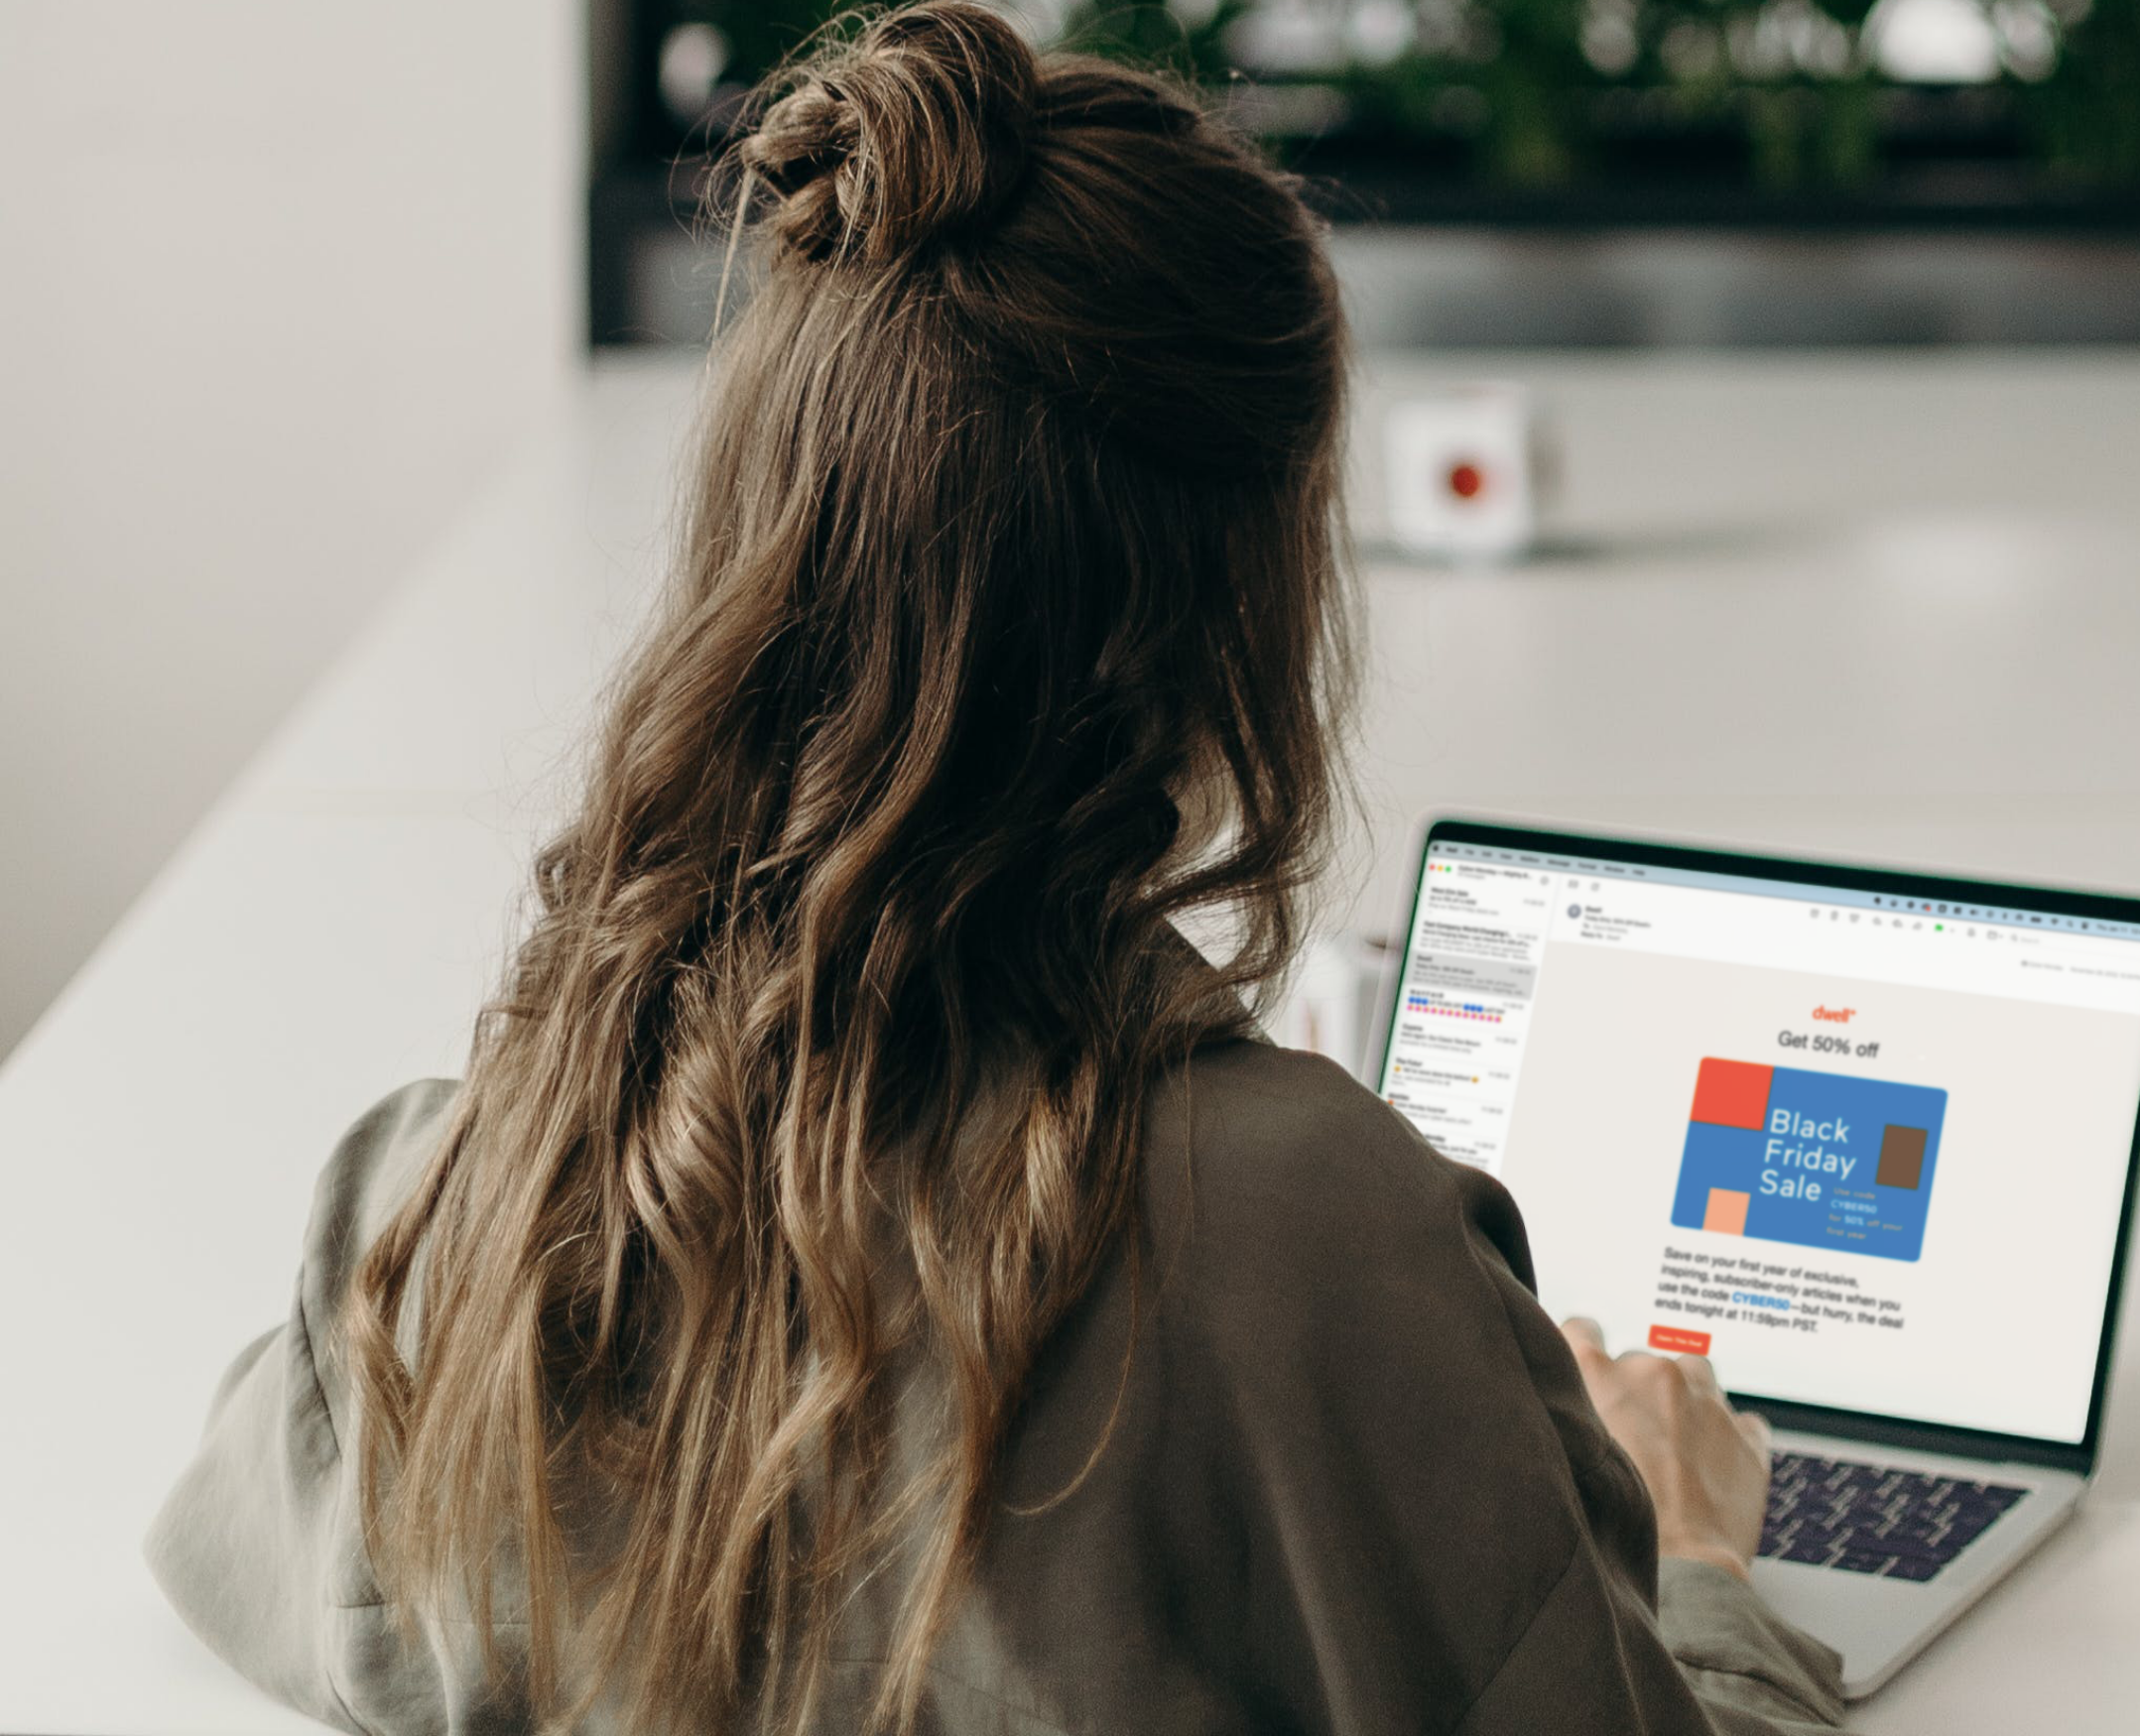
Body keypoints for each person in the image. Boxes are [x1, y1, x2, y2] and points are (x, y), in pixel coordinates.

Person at [145, 5, 1848, 1731]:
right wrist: (1700, 1556)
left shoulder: (446, 1202)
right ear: (1234, 619)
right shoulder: (1309, 1247)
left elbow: (262, 1547)